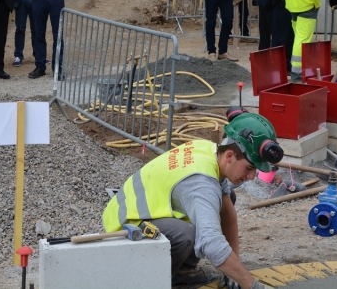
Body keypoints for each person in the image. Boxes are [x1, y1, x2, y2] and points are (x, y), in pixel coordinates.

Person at [102, 107, 282, 289]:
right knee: (185, 234)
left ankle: (183, 270)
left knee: (224, 199)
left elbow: (227, 212)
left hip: (140, 213)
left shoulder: (211, 152)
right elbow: (211, 243)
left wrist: (234, 272)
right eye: (249, 168)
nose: (252, 177)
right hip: (126, 229)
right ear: (230, 156)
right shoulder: (201, 183)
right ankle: (154, 280)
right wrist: (251, 286)